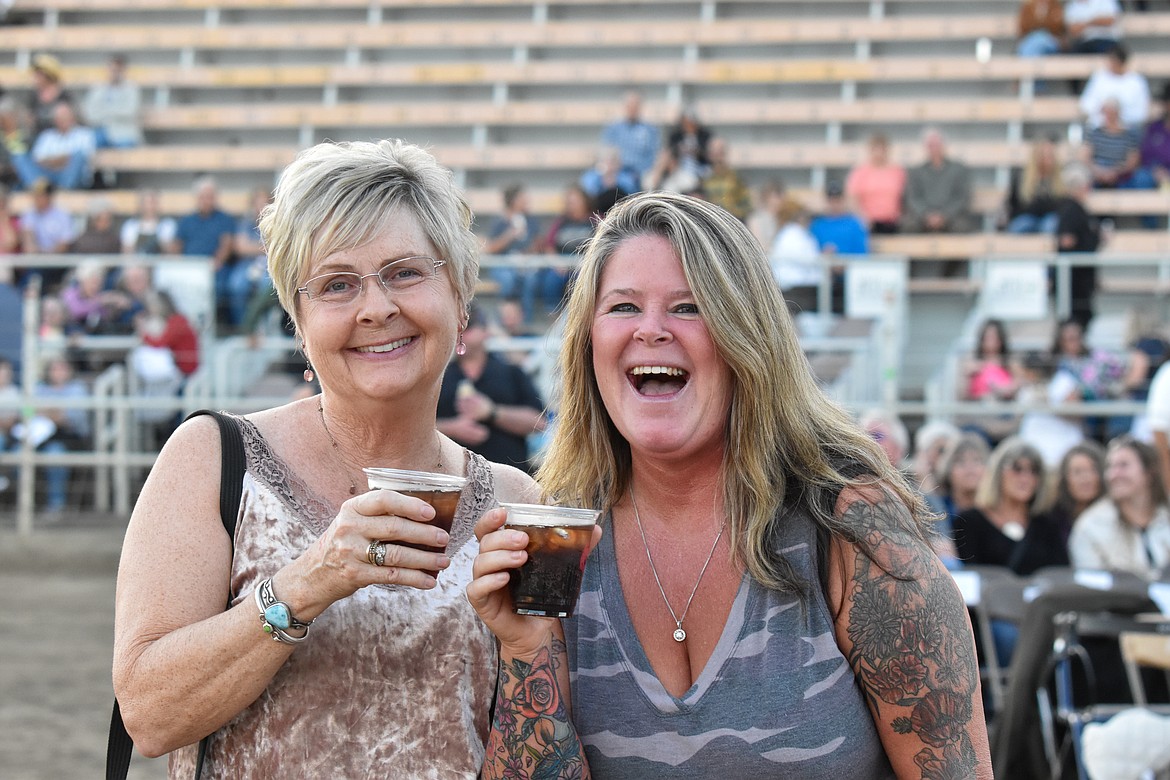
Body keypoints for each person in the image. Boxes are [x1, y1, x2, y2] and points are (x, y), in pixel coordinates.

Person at [467, 191, 992, 778]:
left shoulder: (851, 529)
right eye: (622, 307)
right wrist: (526, 649)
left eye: (689, 307)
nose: (652, 330)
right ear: (588, 343)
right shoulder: (560, 542)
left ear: (748, 338)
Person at [112, 138, 539, 775]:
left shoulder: (515, 504)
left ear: (461, 297)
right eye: (337, 285)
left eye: (405, 272)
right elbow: (148, 715)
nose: (376, 308)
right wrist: (311, 581)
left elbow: (536, 743)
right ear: (298, 322)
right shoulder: (216, 459)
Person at [436, 304, 547, 473]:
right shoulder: (437, 376)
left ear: (486, 331)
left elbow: (539, 423)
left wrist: (492, 412)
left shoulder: (511, 373)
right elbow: (411, 427)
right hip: (452, 481)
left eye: (469, 326)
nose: (461, 333)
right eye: (456, 326)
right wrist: (453, 428)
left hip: (509, 479)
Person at [1069, 435, 1170, 576]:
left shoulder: (1165, 515)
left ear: (1149, 472)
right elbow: (1091, 587)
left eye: (1123, 465)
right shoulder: (1091, 526)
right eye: (1110, 467)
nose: (1114, 474)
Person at [1011, 441, 1106, 575]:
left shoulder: (1112, 516)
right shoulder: (1049, 522)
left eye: (1092, 470)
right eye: (1078, 472)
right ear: (1065, 479)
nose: (1086, 478)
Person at [953, 437, 1049, 569]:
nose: (1026, 478)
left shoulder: (1047, 526)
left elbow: (1060, 575)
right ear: (998, 473)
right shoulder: (968, 522)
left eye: (1034, 470)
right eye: (1017, 468)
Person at [166, 176, 242, 329]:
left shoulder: (224, 219)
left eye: (210, 197)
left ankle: (224, 328)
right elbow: (176, 247)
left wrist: (216, 262)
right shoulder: (187, 220)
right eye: (203, 197)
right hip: (189, 268)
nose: (206, 200)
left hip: (214, 269)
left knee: (221, 288)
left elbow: (226, 245)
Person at [1055, 163, 1104, 327]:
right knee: (1075, 322)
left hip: (1080, 278)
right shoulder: (1071, 210)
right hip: (1075, 280)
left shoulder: (1077, 210)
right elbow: (1066, 242)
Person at [902, 127, 975, 234]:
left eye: (937, 145)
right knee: (908, 226)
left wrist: (945, 215)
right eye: (931, 145)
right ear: (926, 147)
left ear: (943, 146)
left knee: (962, 227)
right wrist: (926, 215)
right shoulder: (916, 172)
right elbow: (913, 198)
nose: (934, 149)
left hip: (952, 218)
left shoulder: (959, 169)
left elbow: (962, 197)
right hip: (923, 219)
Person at [12, 101, 96, 190]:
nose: (62, 120)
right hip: (47, 175)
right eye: (59, 118)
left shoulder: (84, 134)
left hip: (72, 178)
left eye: (65, 117)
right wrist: (63, 159)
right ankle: (38, 189)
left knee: (78, 157)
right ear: (55, 120)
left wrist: (54, 161)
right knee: (20, 157)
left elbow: (85, 157)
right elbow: (37, 159)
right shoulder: (47, 136)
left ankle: (64, 190)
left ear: (72, 117)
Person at [1084, 97, 1157, 191]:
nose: (1107, 115)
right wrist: (1100, 172)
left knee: (1143, 177)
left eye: (1110, 112)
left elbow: (1133, 161)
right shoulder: (1094, 133)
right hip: (1097, 173)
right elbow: (1086, 158)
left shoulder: (1130, 134)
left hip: (1122, 175)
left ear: (1117, 113)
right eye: (1105, 112)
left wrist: (1115, 172)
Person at [768, 194, 822, 315]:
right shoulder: (795, 234)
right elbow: (809, 260)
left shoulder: (785, 234)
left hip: (790, 287)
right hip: (799, 289)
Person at [1002, 134, 1065, 234]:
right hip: (1026, 218)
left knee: (1050, 224)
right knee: (1022, 225)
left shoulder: (1059, 179)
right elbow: (1015, 204)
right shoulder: (1022, 178)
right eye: (1044, 156)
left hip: (1048, 219)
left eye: (1050, 156)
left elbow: (1060, 205)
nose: (1048, 161)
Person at [1079, 45, 1150, 130]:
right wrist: (1102, 109)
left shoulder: (1136, 81)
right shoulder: (1099, 78)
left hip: (1126, 132)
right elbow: (1085, 104)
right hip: (1099, 130)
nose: (1111, 64)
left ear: (1122, 62)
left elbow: (1142, 113)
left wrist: (1118, 114)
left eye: (1114, 61)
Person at [846, 132, 906, 234]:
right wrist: (862, 217)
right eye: (875, 150)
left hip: (892, 222)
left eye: (882, 150)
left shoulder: (897, 172)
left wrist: (901, 215)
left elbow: (905, 197)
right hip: (868, 222)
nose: (879, 154)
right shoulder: (860, 172)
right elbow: (852, 198)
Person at [82, 53, 142, 149]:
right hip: (101, 131)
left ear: (123, 70)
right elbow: (90, 113)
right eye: (112, 69)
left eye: (117, 70)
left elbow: (130, 112)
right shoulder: (98, 88)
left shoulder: (131, 89)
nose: (114, 73)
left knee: (125, 150)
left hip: (124, 133)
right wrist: (114, 112)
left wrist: (104, 112)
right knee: (84, 148)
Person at [600, 90, 661, 181]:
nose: (632, 109)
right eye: (630, 106)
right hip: (617, 171)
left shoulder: (650, 130)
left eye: (635, 106)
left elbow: (655, 154)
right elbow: (606, 151)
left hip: (642, 172)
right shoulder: (613, 129)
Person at [701, 137, 751, 221]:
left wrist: (732, 212)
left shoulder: (736, 178)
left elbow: (747, 204)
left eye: (720, 152)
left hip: (731, 222)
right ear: (709, 155)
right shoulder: (704, 179)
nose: (717, 156)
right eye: (714, 152)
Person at [25, 53, 73, 138]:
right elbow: (29, 121)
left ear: (48, 75)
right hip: (38, 138)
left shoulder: (64, 95)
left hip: (61, 137)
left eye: (39, 74)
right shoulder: (33, 95)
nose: (36, 77)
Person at [120, 188, 177, 255]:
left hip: (160, 262)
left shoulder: (167, 224)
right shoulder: (130, 225)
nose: (150, 207)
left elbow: (171, 250)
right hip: (137, 262)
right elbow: (126, 250)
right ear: (140, 205)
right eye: (147, 203)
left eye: (153, 202)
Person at [1139, 82, 1170, 192]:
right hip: (1156, 174)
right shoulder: (1154, 128)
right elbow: (1146, 153)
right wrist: (1156, 169)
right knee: (1141, 178)